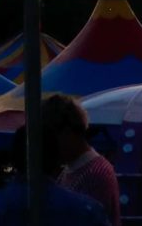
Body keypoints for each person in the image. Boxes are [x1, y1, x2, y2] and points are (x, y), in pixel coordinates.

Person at [43, 94, 120, 226]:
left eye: (48, 136)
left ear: (67, 133)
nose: (46, 144)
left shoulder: (97, 174)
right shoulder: (70, 169)